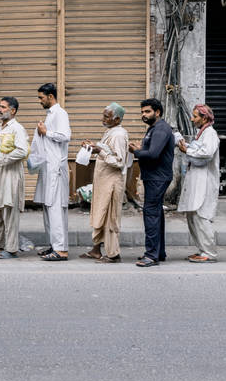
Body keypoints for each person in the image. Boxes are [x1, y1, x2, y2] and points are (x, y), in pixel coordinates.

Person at [129, 98, 175, 267]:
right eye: (142, 112)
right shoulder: (154, 129)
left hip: (157, 177)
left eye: (147, 111)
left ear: (157, 112)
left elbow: (153, 154)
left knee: (151, 214)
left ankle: (151, 255)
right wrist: (141, 149)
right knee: (156, 214)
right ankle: (158, 252)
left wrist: (137, 151)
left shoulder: (161, 129)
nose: (144, 115)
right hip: (154, 176)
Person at [80, 103, 129, 263]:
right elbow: (108, 150)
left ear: (116, 119)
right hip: (103, 182)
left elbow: (119, 161)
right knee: (100, 214)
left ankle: (113, 254)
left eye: (106, 116)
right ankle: (96, 249)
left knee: (110, 218)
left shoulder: (119, 135)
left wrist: (99, 151)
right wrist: (94, 146)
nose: (103, 119)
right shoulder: (111, 132)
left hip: (112, 183)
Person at [0, 96, 29, 260]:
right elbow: (1, 151)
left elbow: (22, 151)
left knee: (9, 211)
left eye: (3, 107)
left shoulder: (17, 128)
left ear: (13, 110)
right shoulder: (1, 127)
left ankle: (11, 249)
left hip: (11, 174)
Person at [177, 104, 220, 263]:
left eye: (195, 116)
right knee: (193, 216)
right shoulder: (201, 134)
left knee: (202, 217)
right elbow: (198, 150)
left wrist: (186, 150)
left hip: (205, 182)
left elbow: (206, 153)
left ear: (204, 118)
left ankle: (209, 253)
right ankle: (202, 250)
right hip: (196, 181)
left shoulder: (210, 134)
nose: (192, 119)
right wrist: (186, 147)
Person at [33, 83, 71, 262]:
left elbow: (65, 135)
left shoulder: (59, 113)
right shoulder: (50, 115)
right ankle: (54, 245)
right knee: (48, 207)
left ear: (50, 96)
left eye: (41, 98)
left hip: (56, 168)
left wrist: (46, 132)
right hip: (48, 167)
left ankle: (61, 249)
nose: (39, 101)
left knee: (55, 207)